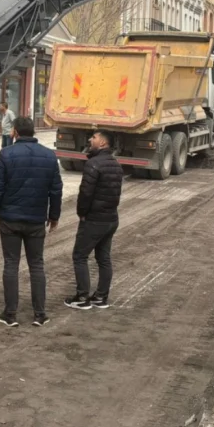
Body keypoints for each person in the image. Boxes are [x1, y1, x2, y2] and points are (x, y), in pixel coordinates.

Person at [0, 117, 63, 327]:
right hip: (37, 220)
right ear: (33, 132)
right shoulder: (49, 156)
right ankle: (40, 314)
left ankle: (10, 314)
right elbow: (56, 190)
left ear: (15, 132)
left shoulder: (5, 154)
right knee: (37, 264)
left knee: (11, 264)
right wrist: (53, 216)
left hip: (10, 219)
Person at [64, 130, 123, 310]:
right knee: (103, 257)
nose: (90, 139)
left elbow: (86, 193)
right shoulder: (116, 165)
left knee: (80, 256)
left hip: (94, 220)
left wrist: (82, 213)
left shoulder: (93, 164)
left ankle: (82, 297)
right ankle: (101, 297)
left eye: (94, 138)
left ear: (103, 144)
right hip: (111, 219)